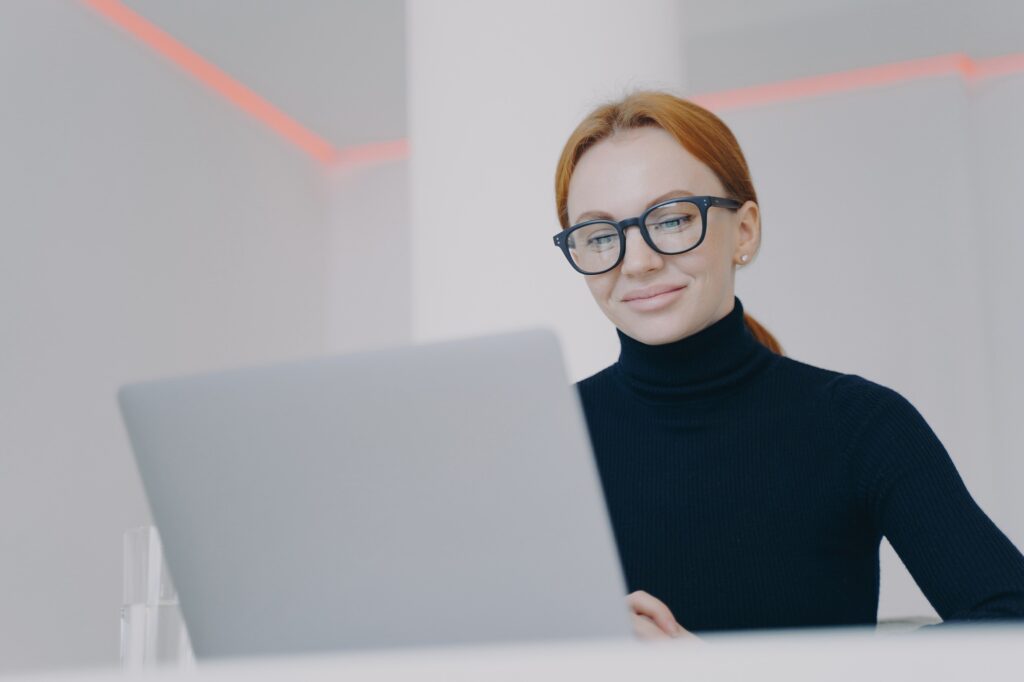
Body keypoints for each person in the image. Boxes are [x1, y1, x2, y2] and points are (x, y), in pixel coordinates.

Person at [551, 90, 1024, 640]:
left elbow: (1009, 619)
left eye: (674, 219)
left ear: (744, 230)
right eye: (602, 235)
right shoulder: (549, 440)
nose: (638, 262)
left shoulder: (859, 423)